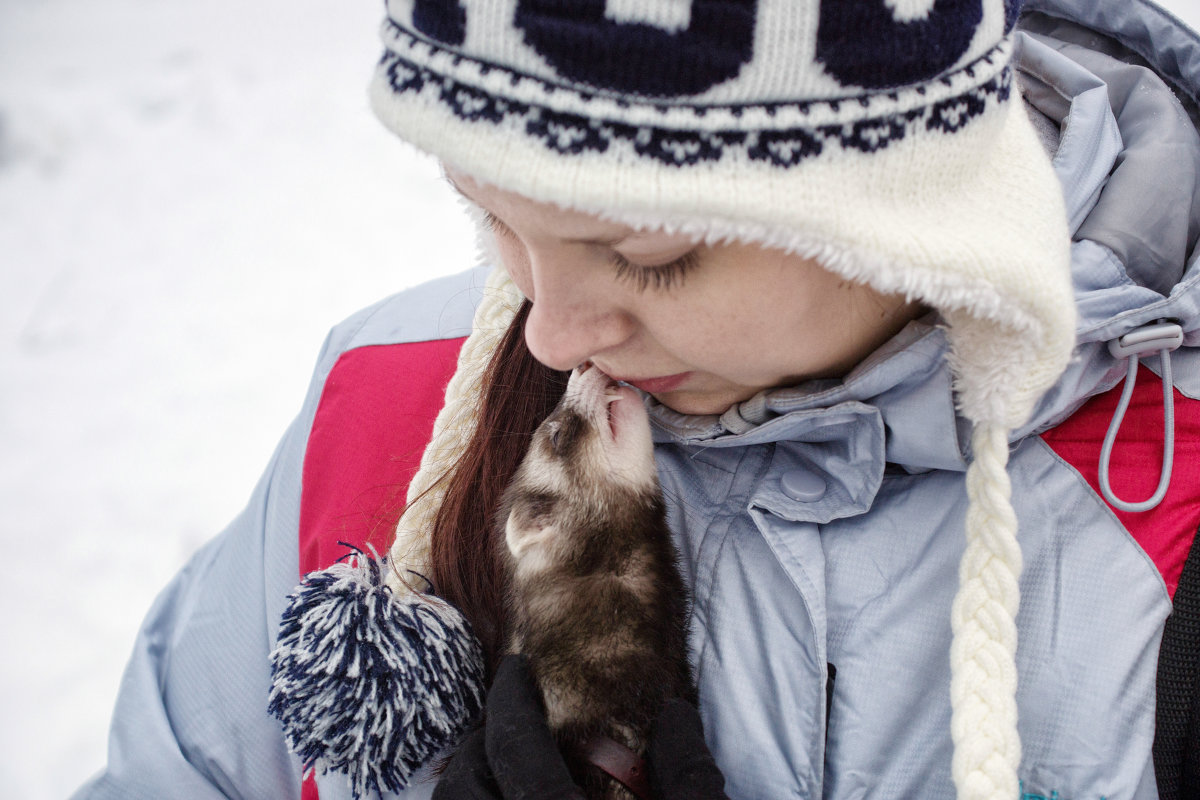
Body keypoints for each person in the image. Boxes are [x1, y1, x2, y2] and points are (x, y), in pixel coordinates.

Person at [72, 1, 1200, 799]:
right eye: (494, 215)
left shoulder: (1173, 486)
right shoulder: (391, 402)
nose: (551, 330)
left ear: (904, 206)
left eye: (648, 256)